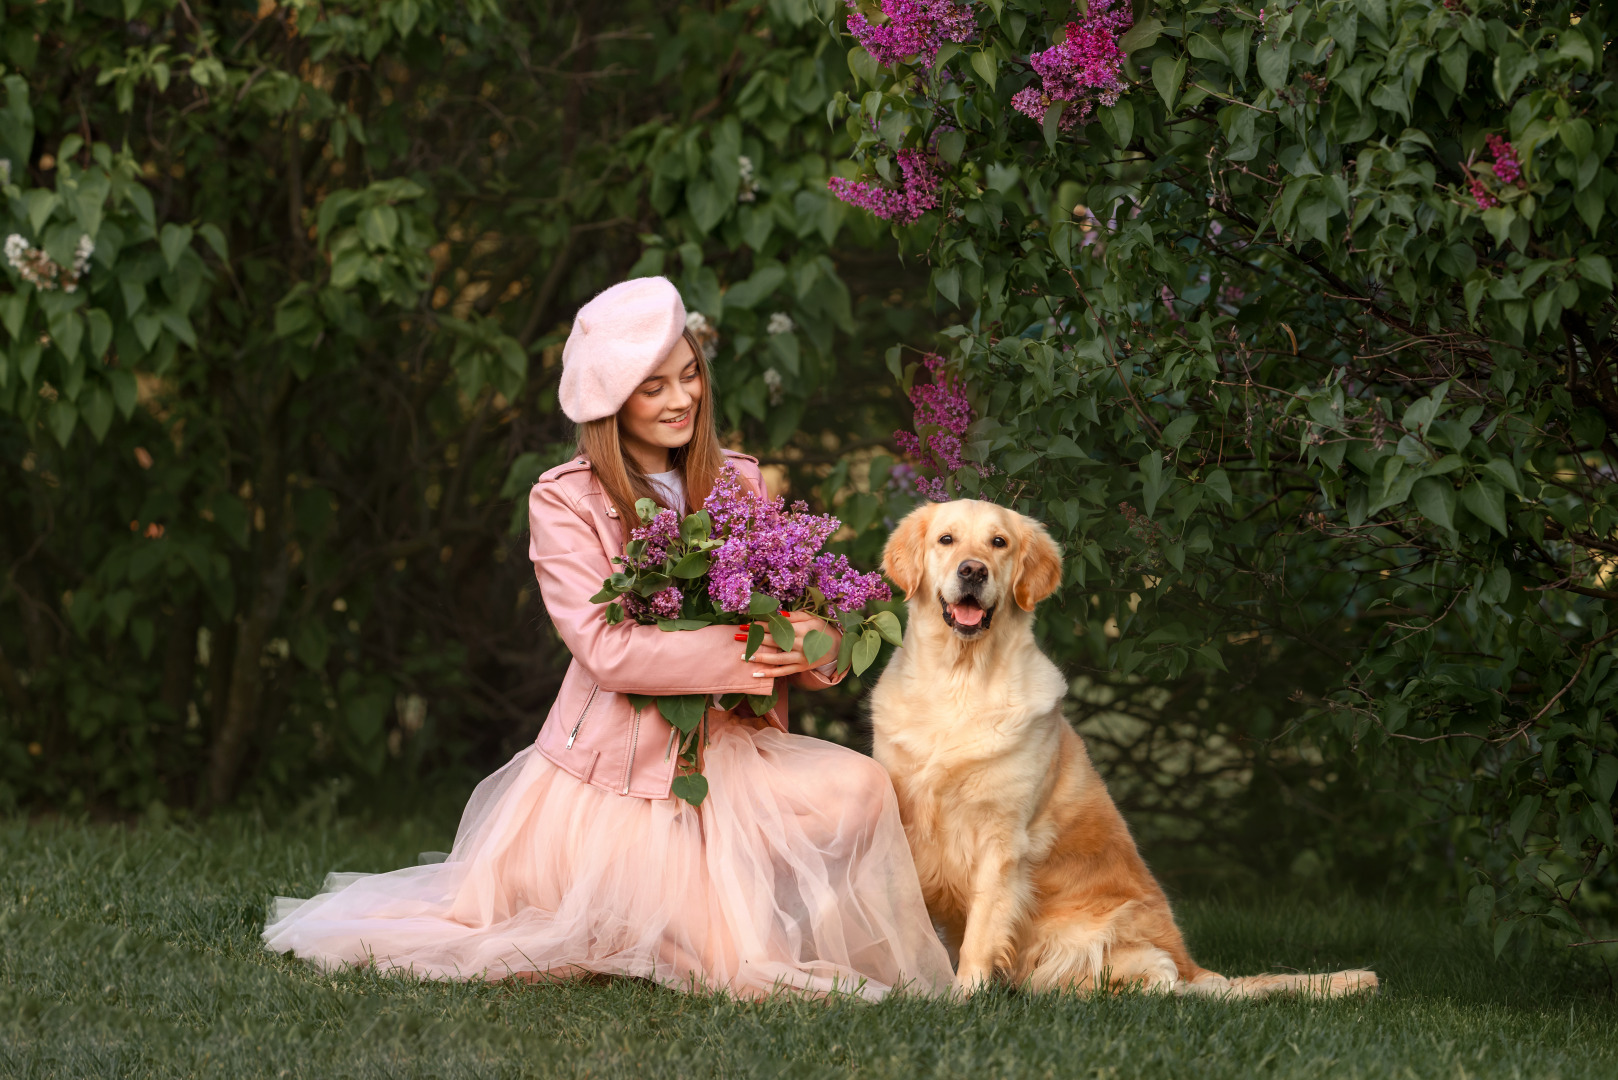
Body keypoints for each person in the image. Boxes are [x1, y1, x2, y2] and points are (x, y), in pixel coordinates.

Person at [263, 276, 954, 1000]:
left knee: (862, 787)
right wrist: (749, 652)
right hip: (620, 780)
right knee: (733, 967)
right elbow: (606, 649)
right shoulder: (565, 500)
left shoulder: (740, 480)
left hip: (733, 750)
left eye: (689, 377)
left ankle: (796, 929)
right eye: (653, 387)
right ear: (612, 400)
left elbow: (797, 610)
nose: (681, 399)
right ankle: (671, 922)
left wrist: (816, 642)